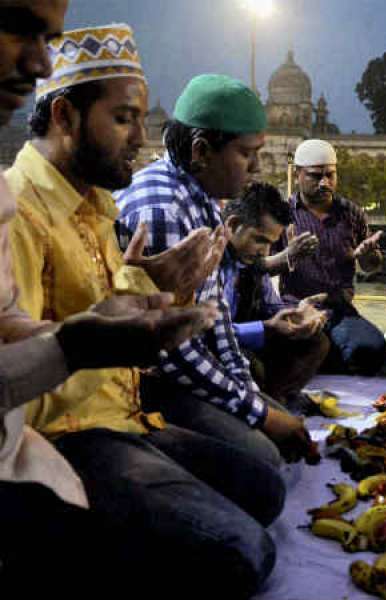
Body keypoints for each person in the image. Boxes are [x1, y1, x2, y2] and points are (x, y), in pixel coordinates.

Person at [9, 27, 287, 598]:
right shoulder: (22, 213)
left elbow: (104, 304)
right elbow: (22, 376)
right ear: (65, 117)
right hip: (69, 436)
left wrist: (156, 284)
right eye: (125, 119)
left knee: (265, 490)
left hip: (125, 413)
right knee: (245, 554)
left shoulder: (93, 201)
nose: (145, 136)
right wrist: (100, 337)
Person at [116, 73, 313, 467]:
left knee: (281, 430)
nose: (257, 166)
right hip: (149, 383)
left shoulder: (203, 199)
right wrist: (259, 413)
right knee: (266, 460)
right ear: (202, 150)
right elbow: (175, 351)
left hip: (185, 367)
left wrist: (248, 392)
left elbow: (216, 315)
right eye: (247, 154)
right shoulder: (163, 209)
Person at [269, 138, 386, 375]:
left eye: (330, 175)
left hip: (339, 309)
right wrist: (288, 256)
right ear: (297, 174)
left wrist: (368, 256)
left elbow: (371, 266)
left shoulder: (351, 213)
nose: (324, 183)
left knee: (372, 351)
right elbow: (261, 268)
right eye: (315, 176)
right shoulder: (281, 214)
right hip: (296, 308)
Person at [220, 182, 330, 409]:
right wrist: (266, 327)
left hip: (250, 338)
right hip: (220, 346)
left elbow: (273, 308)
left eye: (270, 244)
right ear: (232, 225)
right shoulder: (212, 261)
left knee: (317, 342)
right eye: (259, 240)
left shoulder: (252, 263)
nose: (265, 252)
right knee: (250, 364)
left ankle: (277, 398)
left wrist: (300, 316)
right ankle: (267, 406)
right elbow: (210, 332)